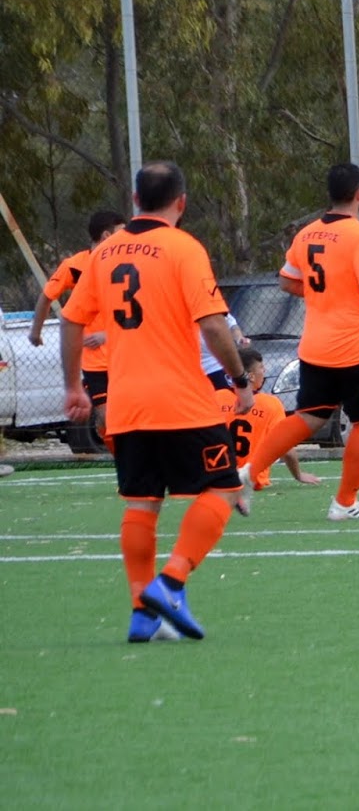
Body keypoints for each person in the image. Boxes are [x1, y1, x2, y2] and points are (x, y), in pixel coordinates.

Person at [58, 161, 253, 642]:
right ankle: (171, 582)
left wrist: (74, 387)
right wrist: (239, 377)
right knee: (225, 488)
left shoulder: (103, 253)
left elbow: (71, 319)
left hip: (126, 404)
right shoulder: (183, 248)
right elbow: (213, 325)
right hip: (181, 401)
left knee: (141, 505)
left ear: (135, 200)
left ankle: (141, 614)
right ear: (181, 202)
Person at [243, 162, 359, 521]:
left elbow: (287, 280)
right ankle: (344, 503)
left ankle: (248, 473)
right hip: (358, 349)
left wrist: (327, 293)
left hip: (316, 347)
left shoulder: (307, 234)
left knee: (309, 417)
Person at [31, 209, 127, 444]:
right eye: (121, 233)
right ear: (106, 236)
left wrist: (107, 334)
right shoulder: (75, 266)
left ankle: (134, 461)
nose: (126, 238)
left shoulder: (127, 264)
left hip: (124, 354)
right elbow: (47, 296)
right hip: (95, 360)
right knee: (106, 419)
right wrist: (35, 331)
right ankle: (121, 460)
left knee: (130, 416)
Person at [224, 348, 320, 491]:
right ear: (251, 376)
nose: (264, 371)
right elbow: (284, 446)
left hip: (218, 479)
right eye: (261, 368)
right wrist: (298, 474)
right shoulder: (270, 404)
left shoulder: (217, 397)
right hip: (252, 480)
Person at [199, 313, 249, 389]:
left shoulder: (215, 310)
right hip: (193, 371)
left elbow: (233, 326)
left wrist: (239, 339)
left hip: (216, 366)